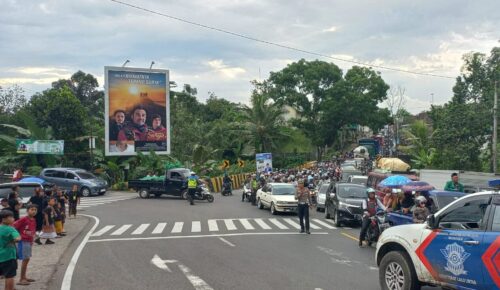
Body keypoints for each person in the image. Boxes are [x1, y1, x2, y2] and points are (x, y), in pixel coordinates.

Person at [12, 205, 37, 286]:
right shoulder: (24, 219)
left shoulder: (33, 220)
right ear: (27, 210)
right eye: (31, 209)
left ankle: (24, 277)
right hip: (23, 241)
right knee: (25, 259)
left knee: (27, 259)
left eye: (35, 210)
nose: (33, 211)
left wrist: (32, 240)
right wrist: (17, 236)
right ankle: (21, 279)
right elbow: (14, 226)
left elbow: (32, 231)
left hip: (29, 242)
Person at [0, 210, 21, 290]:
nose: (13, 218)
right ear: (4, 219)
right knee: (9, 276)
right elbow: (18, 238)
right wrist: (12, 241)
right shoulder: (10, 229)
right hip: (8, 256)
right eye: (11, 217)